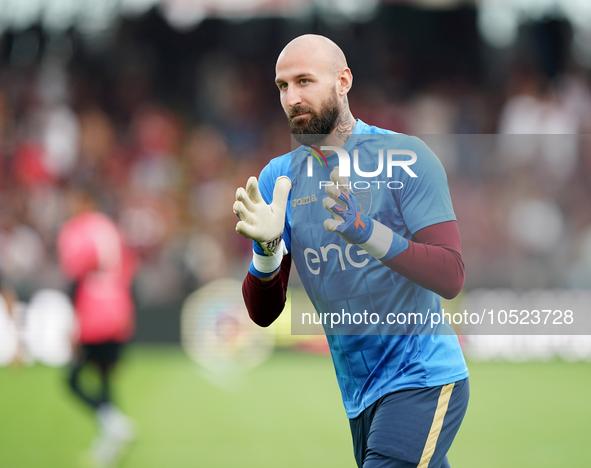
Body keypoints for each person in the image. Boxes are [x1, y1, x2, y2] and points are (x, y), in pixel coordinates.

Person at [234, 34, 469, 468]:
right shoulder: (278, 179)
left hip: (421, 377)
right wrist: (266, 252)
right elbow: (264, 313)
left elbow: (451, 275)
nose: (291, 97)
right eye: (282, 86)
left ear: (343, 81)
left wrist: (366, 231)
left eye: (305, 81)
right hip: (360, 395)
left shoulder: (407, 158)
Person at [57, 186, 138, 467]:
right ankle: (110, 440)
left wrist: (73, 322)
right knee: (105, 379)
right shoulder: (110, 229)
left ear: (84, 200)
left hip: (94, 313)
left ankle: (114, 422)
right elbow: (128, 269)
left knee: (71, 379)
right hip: (118, 308)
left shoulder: (76, 231)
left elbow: (75, 277)